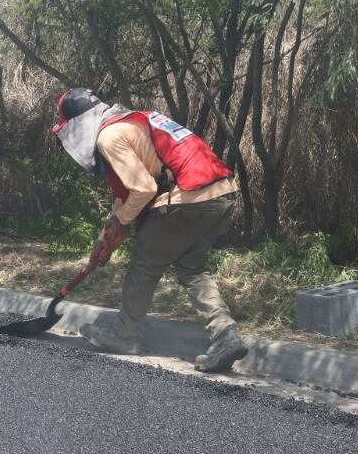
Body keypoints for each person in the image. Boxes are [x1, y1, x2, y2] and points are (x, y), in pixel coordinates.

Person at [50, 88, 248, 372]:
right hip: (222, 194)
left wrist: (121, 223)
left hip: (190, 195)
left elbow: (143, 189)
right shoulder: (129, 122)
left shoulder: (108, 136)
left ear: (78, 124)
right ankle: (225, 335)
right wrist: (104, 240)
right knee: (192, 267)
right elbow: (128, 196)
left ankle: (124, 335)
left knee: (144, 265)